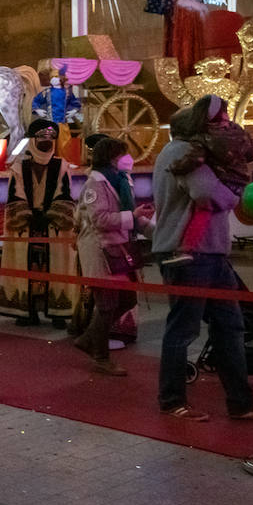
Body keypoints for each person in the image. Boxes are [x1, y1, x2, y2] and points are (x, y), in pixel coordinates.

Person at [153, 96, 253, 421]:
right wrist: (233, 194)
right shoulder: (181, 151)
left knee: (230, 326)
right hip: (189, 253)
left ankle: (241, 401)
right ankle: (172, 400)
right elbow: (206, 193)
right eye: (219, 120)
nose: (225, 126)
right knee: (183, 329)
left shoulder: (190, 150)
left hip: (209, 252)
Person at [74, 138, 155, 376]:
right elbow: (100, 220)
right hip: (100, 252)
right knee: (107, 305)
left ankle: (88, 339)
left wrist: (157, 232)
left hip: (118, 251)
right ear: (111, 158)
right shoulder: (95, 184)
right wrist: (133, 216)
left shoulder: (121, 181)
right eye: (122, 155)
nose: (127, 159)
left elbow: (131, 216)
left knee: (127, 300)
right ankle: (101, 356)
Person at [0, 119, 79, 327]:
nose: (46, 141)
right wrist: (28, 215)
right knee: (27, 267)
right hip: (26, 225)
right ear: (33, 140)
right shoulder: (19, 167)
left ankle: (58, 311)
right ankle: (28, 310)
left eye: (50, 137)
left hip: (53, 225)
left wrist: (50, 215)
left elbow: (65, 194)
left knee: (56, 267)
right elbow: (15, 195)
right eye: (42, 137)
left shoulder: (62, 166)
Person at [163, 95, 253, 266]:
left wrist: (178, 168)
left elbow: (196, 161)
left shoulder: (202, 139)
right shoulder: (236, 132)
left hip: (225, 181)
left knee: (202, 210)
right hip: (240, 181)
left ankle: (186, 249)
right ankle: (188, 248)